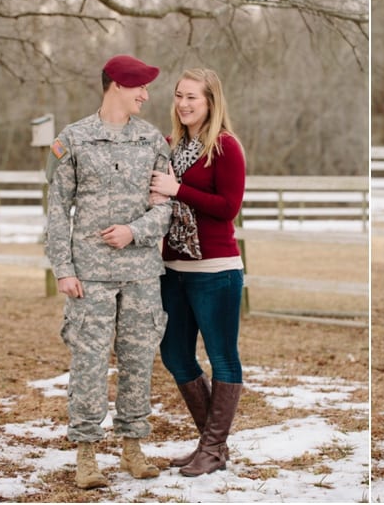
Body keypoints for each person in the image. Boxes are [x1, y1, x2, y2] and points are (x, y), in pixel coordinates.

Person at [45, 54, 172, 489]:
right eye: (139, 86)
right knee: (89, 362)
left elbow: (165, 208)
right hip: (90, 274)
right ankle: (86, 454)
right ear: (116, 84)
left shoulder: (152, 140)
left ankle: (133, 447)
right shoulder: (73, 140)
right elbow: (58, 210)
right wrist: (63, 268)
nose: (146, 95)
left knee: (138, 360)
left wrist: (134, 232)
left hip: (140, 272)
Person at [149, 68, 246, 477]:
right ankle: (213, 445)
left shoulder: (225, 147)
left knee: (223, 357)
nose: (184, 104)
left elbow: (228, 207)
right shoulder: (171, 146)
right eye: (179, 96)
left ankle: (211, 448)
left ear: (211, 102)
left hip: (216, 269)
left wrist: (176, 191)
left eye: (193, 97)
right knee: (174, 354)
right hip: (173, 267)